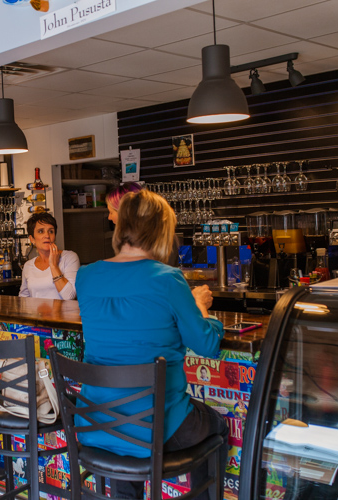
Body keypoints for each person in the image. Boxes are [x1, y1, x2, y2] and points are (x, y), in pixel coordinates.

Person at [75, 189, 226, 500]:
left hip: (97, 421)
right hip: (159, 425)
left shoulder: (86, 276)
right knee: (218, 427)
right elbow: (207, 344)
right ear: (161, 231)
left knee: (123, 434)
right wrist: (200, 307)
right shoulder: (167, 279)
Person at [18, 212, 79, 300]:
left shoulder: (69, 257)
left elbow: (69, 296)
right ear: (32, 239)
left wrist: (54, 266)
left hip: (62, 314)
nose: (47, 236)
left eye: (51, 231)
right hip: (36, 313)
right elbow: (23, 299)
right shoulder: (28, 266)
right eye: (41, 231)